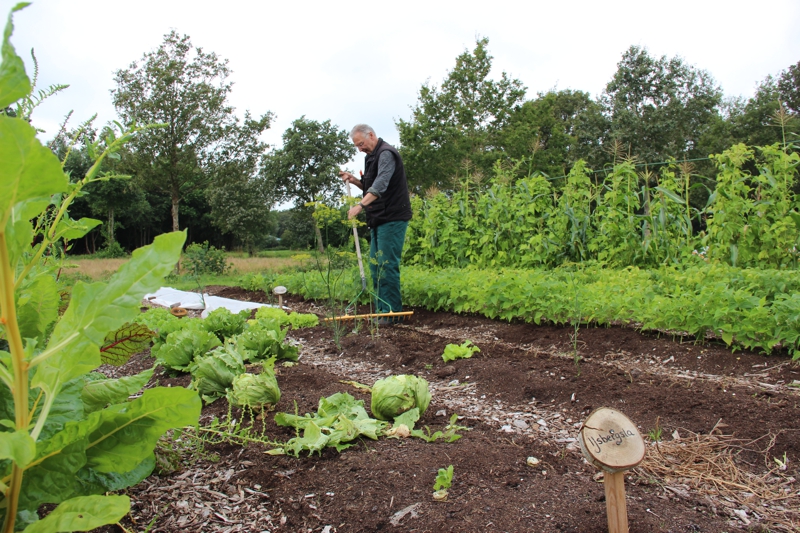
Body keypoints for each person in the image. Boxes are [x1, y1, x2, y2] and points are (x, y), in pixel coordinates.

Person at [339, 124, 412, 324]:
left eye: (361, 144)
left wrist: (360, 206)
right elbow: (370, 186)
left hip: (393, 217)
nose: (360, 148)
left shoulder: (386, 154)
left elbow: (381, 184)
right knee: (375, 266)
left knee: (387, 265)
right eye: (357, 146)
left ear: (371, 135)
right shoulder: (370, 157)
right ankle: (381, 310)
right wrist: (354, 181)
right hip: (378, 219)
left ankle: (392, 313)